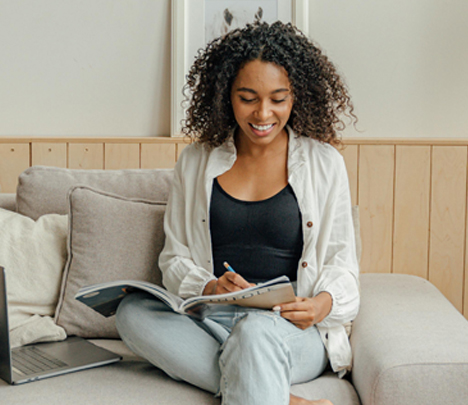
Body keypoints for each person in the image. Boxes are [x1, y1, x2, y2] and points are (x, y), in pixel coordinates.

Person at [116, 21, 359, 405]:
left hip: (288, 329)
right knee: (131, 313)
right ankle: (278, 396)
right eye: (248, 98)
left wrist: (320, 305)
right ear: (225, 95)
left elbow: (343, 266)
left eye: (278, 99)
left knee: (255, 334)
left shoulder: (324, 164)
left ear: (298, 97)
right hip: (213, 319)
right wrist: (210, 287)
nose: (263, 113)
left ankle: (255, 381)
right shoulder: (196, 161)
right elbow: (173, 259)